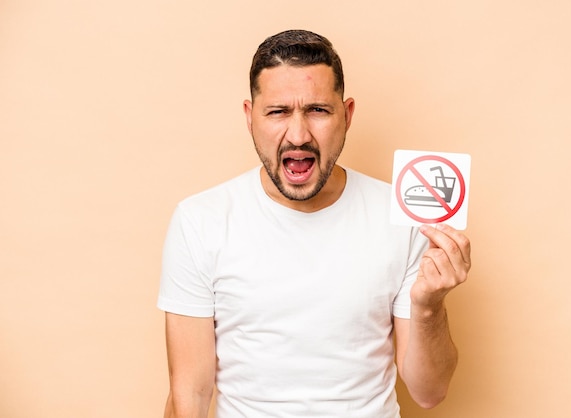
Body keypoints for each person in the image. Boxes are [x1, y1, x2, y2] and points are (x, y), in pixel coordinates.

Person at [157, 29, 471, 418]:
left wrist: (429, 306)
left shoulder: (403, 220)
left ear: (347, 115)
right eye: (278, 111)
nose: (299, 134)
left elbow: (429, 391)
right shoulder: (199, 221)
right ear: (250, 117)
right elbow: (189, 392)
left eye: (318, 110)